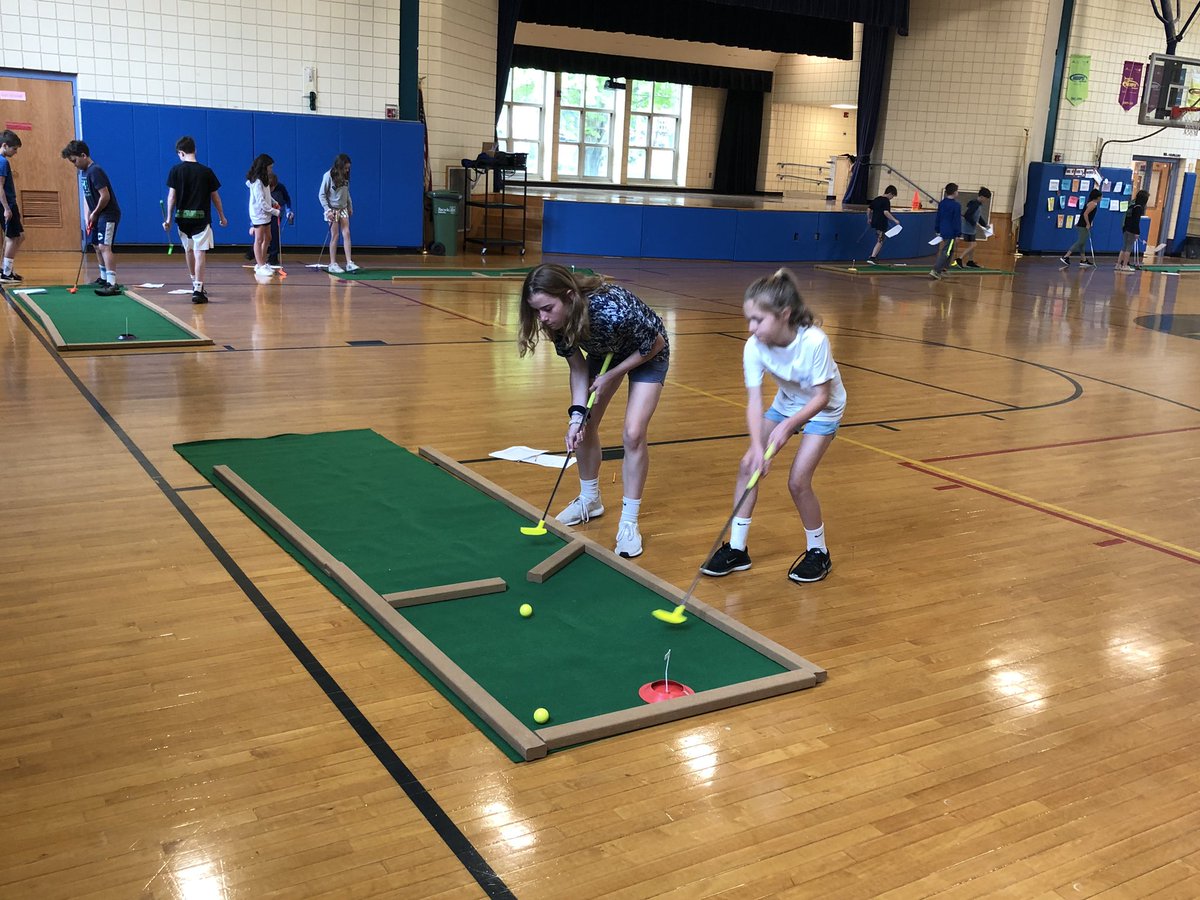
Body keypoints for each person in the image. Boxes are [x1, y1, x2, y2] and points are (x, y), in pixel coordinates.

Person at [701, 268, 846, 584]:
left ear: (784, 315)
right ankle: (738, 550)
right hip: (787, 402)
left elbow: (822, 397)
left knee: (797, 481)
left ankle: (818, 552)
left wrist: (788, 427)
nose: (751, 328)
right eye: (748, 319)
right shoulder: (754, 346)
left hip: (822, 408)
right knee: (747, 466)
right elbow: (754, 401)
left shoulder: (814, 342)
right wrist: (758, 450)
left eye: (758, 320)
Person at [518, 264, 669, 558]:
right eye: (537, 311)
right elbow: (577, 367)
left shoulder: (612, 310)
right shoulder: (556, 323)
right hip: (605, 353)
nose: (543, 318)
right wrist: (576, 415)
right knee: (584, 425)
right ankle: (590, 500)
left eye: (547, 308)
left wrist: (612, 375)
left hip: (647, 353)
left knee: (633, 433)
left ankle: (628, 522)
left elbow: (655, 344)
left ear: (570, 296)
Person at [165, 136, 227, 304]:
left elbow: (172, 197)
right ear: (195, 150)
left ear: (181, 152)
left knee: (189, 251)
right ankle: (198, 290)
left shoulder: (175, 171)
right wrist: (222, 215)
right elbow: (215, 197)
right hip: (201, 219)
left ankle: (194, 282)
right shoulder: (206, 172)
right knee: (200, 253)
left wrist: (169, 218)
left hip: (182, 219)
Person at [60, 140, 123, 295]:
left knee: (104, 246)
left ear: (83, 155)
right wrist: (88, 215)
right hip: (97, 213)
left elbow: (105, 196)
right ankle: (103, 278)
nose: (74, 164)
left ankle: (112, 283)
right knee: (96, 245)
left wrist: (95, 213)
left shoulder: (95, 171)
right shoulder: (84, 172)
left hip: (108, 214)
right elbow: (87, 195)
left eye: (75, 160)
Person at [319, 154, 357, 273]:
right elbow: (321, 195)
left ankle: (349, 262)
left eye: (348, 168)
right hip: (332, 210)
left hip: (343, 209)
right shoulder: (328, 176)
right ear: (339, 166)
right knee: (335, 235)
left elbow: (347, 192)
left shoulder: (345, 177)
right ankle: (332, 263)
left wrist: (350, 205)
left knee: (347, 233)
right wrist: (327, 210)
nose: (347, 170)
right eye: (345, 168)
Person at [246, 153, 279, 277]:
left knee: (268, 238)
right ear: (264, 167)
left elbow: (267, 196)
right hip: (259, 214)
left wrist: (274, 203)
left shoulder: (264, 180)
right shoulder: (257, 182)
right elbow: (261, 202)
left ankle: (263, 262)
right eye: (270, 167)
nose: (271, 170)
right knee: (259, 239)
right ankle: (259, 265)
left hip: (266, 214)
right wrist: (274, 211)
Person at [0, 130, 25, 285]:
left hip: (10, 203)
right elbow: (0, 186)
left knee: (20, 236)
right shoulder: (2, 162)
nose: (15, 152)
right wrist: (6, 208)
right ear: (5, 145)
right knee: (12, 238)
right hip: (6, 203)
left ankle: (6, 268)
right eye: (14, 149)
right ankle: (6, 273)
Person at [1060, 188, 1101, 268]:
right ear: (1097, 197)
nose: (1101, 198)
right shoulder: (1093, 204)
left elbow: (1086, 214)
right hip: (1083, 225)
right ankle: (1066, 256)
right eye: (1101, 197)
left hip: (1082, 224)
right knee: (1080, 241)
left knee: (1082, 243)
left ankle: (1083, 260)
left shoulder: (1090, 203)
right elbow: (1085, 214)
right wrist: (1088, 224)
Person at [955, 186, 992, 269]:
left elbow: (978, 217)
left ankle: (970, 261)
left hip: (971, 228)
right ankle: (959, 259)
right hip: (968, 228)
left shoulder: (978, 204)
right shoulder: (975, 204)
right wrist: (974, 223)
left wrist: (985, 225)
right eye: (986, 199)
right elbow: (967, 215)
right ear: (981, 197)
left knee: (972, 245)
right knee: (973, 244)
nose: (986, 201)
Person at [929, 183, 961, 279]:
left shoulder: (942, 203)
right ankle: (936, 270)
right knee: (946, 251)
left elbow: (938, 217)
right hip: (951, 232)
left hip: (943, 230)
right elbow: (956, 220)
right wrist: (958, 233)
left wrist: (937, 228)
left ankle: (944, 269)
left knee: (950, 250)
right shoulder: (956, 205)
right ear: (955, 192)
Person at [1116, 189, 1150, 273]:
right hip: (1131, 229)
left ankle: (1118, 264)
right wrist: (1137, 232)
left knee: (1124, 246)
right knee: (1129, 247)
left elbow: (1127, 218)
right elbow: (1136, 221)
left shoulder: (1132, 204)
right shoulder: (1138, 208)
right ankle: (1125, 265)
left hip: (1125, 228)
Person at [866, 185, 899, 264]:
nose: (892, 198)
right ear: (890, 193)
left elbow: (869, 209)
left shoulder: (877, 199)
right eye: (893, 196)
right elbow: (886, 212)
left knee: (879, 239)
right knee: (881, 240)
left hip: (874, 222)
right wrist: (895, 220)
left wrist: (869, 218)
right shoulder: (886, 201)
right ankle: (872, 257)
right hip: (881, 222)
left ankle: (875, 255)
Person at [267, 173, 293, 265]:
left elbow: (287, 199)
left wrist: (288, 210)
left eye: (273, 187)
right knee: (264, 235)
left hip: (277, 213)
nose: (271, 189)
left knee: (274, 234)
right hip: (266, 213)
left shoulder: (281, 187)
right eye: (269, 187)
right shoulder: (262, 188)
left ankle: (273, 258)